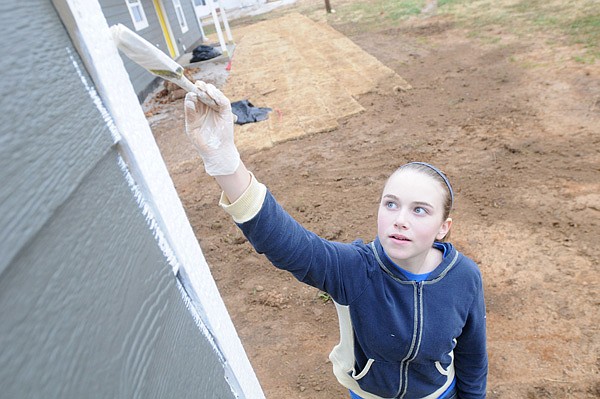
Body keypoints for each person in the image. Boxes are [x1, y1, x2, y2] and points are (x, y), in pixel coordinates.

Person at [183, 81, 488, 399]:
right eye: (391, 203)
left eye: (420, 210)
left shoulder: (465, 277)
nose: (400, 219)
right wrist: (224, 161)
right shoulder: (356, 269)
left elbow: (473, 359)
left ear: (443, 227)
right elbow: (288, 244)